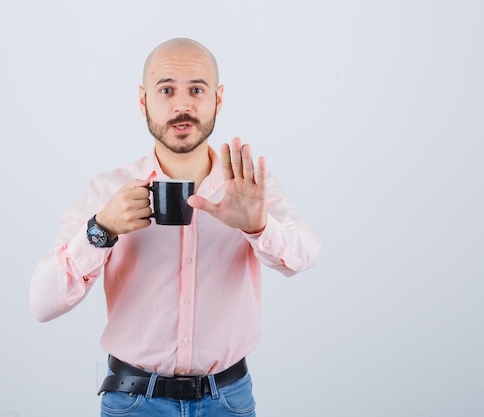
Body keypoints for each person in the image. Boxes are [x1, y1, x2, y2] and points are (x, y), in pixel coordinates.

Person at [30, 38, 321, 417]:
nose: (182, 105)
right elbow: (42, 304)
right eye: (166, 90)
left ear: (218, 99)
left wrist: (258, 227)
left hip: (229, 400)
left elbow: (305, 256)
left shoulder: (249, 189)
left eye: (196, 90)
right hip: (132, 402)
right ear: (143, 100)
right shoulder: (106, 192)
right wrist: (101, 230)